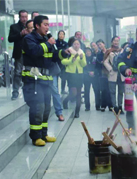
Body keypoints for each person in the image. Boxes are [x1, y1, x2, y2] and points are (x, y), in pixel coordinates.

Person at [22, 15, 68, 146]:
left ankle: (43, 134)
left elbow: (53, 56)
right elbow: (34, 51)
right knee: (38, 108)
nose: (48, 27)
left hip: (46, 80)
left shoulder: (46, 39)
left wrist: (63, 53)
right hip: (33, 80)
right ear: (37, 25)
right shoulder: (29, 39)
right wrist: (48, 44)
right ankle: (35, 137)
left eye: (48, 25)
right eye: (45, 24)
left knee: (47, 108)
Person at [62, 39, 86, 118]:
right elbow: (63, 61)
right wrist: (70, 61)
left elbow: (84, 64)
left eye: (78, 44)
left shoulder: (81, 53)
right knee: (73, 93)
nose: (76, 45)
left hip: (79, 74)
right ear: (72, 45)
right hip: (70, 74)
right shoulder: (68, 51)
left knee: (78, 93)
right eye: (75, 44)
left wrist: (82, 58)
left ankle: (77, 112)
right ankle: (65, 101)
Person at [8, 9, 29, 100]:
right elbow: (10, 39)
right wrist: (20, 34)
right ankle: (15, 91)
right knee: (17, 72)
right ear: (19, 17)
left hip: (29, 53)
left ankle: (29, 91)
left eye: (26, 17)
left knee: (29, 72)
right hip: (19, 53)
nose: (24, 19)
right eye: (22, 17)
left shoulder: (31, 26)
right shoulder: (14, 27)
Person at [103, 36, 125, 114]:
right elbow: (105, 62)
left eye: (117, 41)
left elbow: (125, 60)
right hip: (113, 74)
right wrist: (110, 69)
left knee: (121, 91)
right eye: (114, 41)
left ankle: (120, 106)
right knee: (112, 91)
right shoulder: (109, 51)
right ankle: (114, 107)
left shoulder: (122, 51)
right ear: (112, 42)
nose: (116, 42)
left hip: (121, 74)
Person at [96, 39, 113, 112]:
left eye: (100, 44)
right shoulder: (99, 54)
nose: (100, 46)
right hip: (102, 73)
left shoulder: (109, 52)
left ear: (104, 44)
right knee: (103, 90)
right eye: (98, 45)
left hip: (110, 72)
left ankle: (110, 105)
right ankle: (103, 105)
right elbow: (99, 63)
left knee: (110, 90)